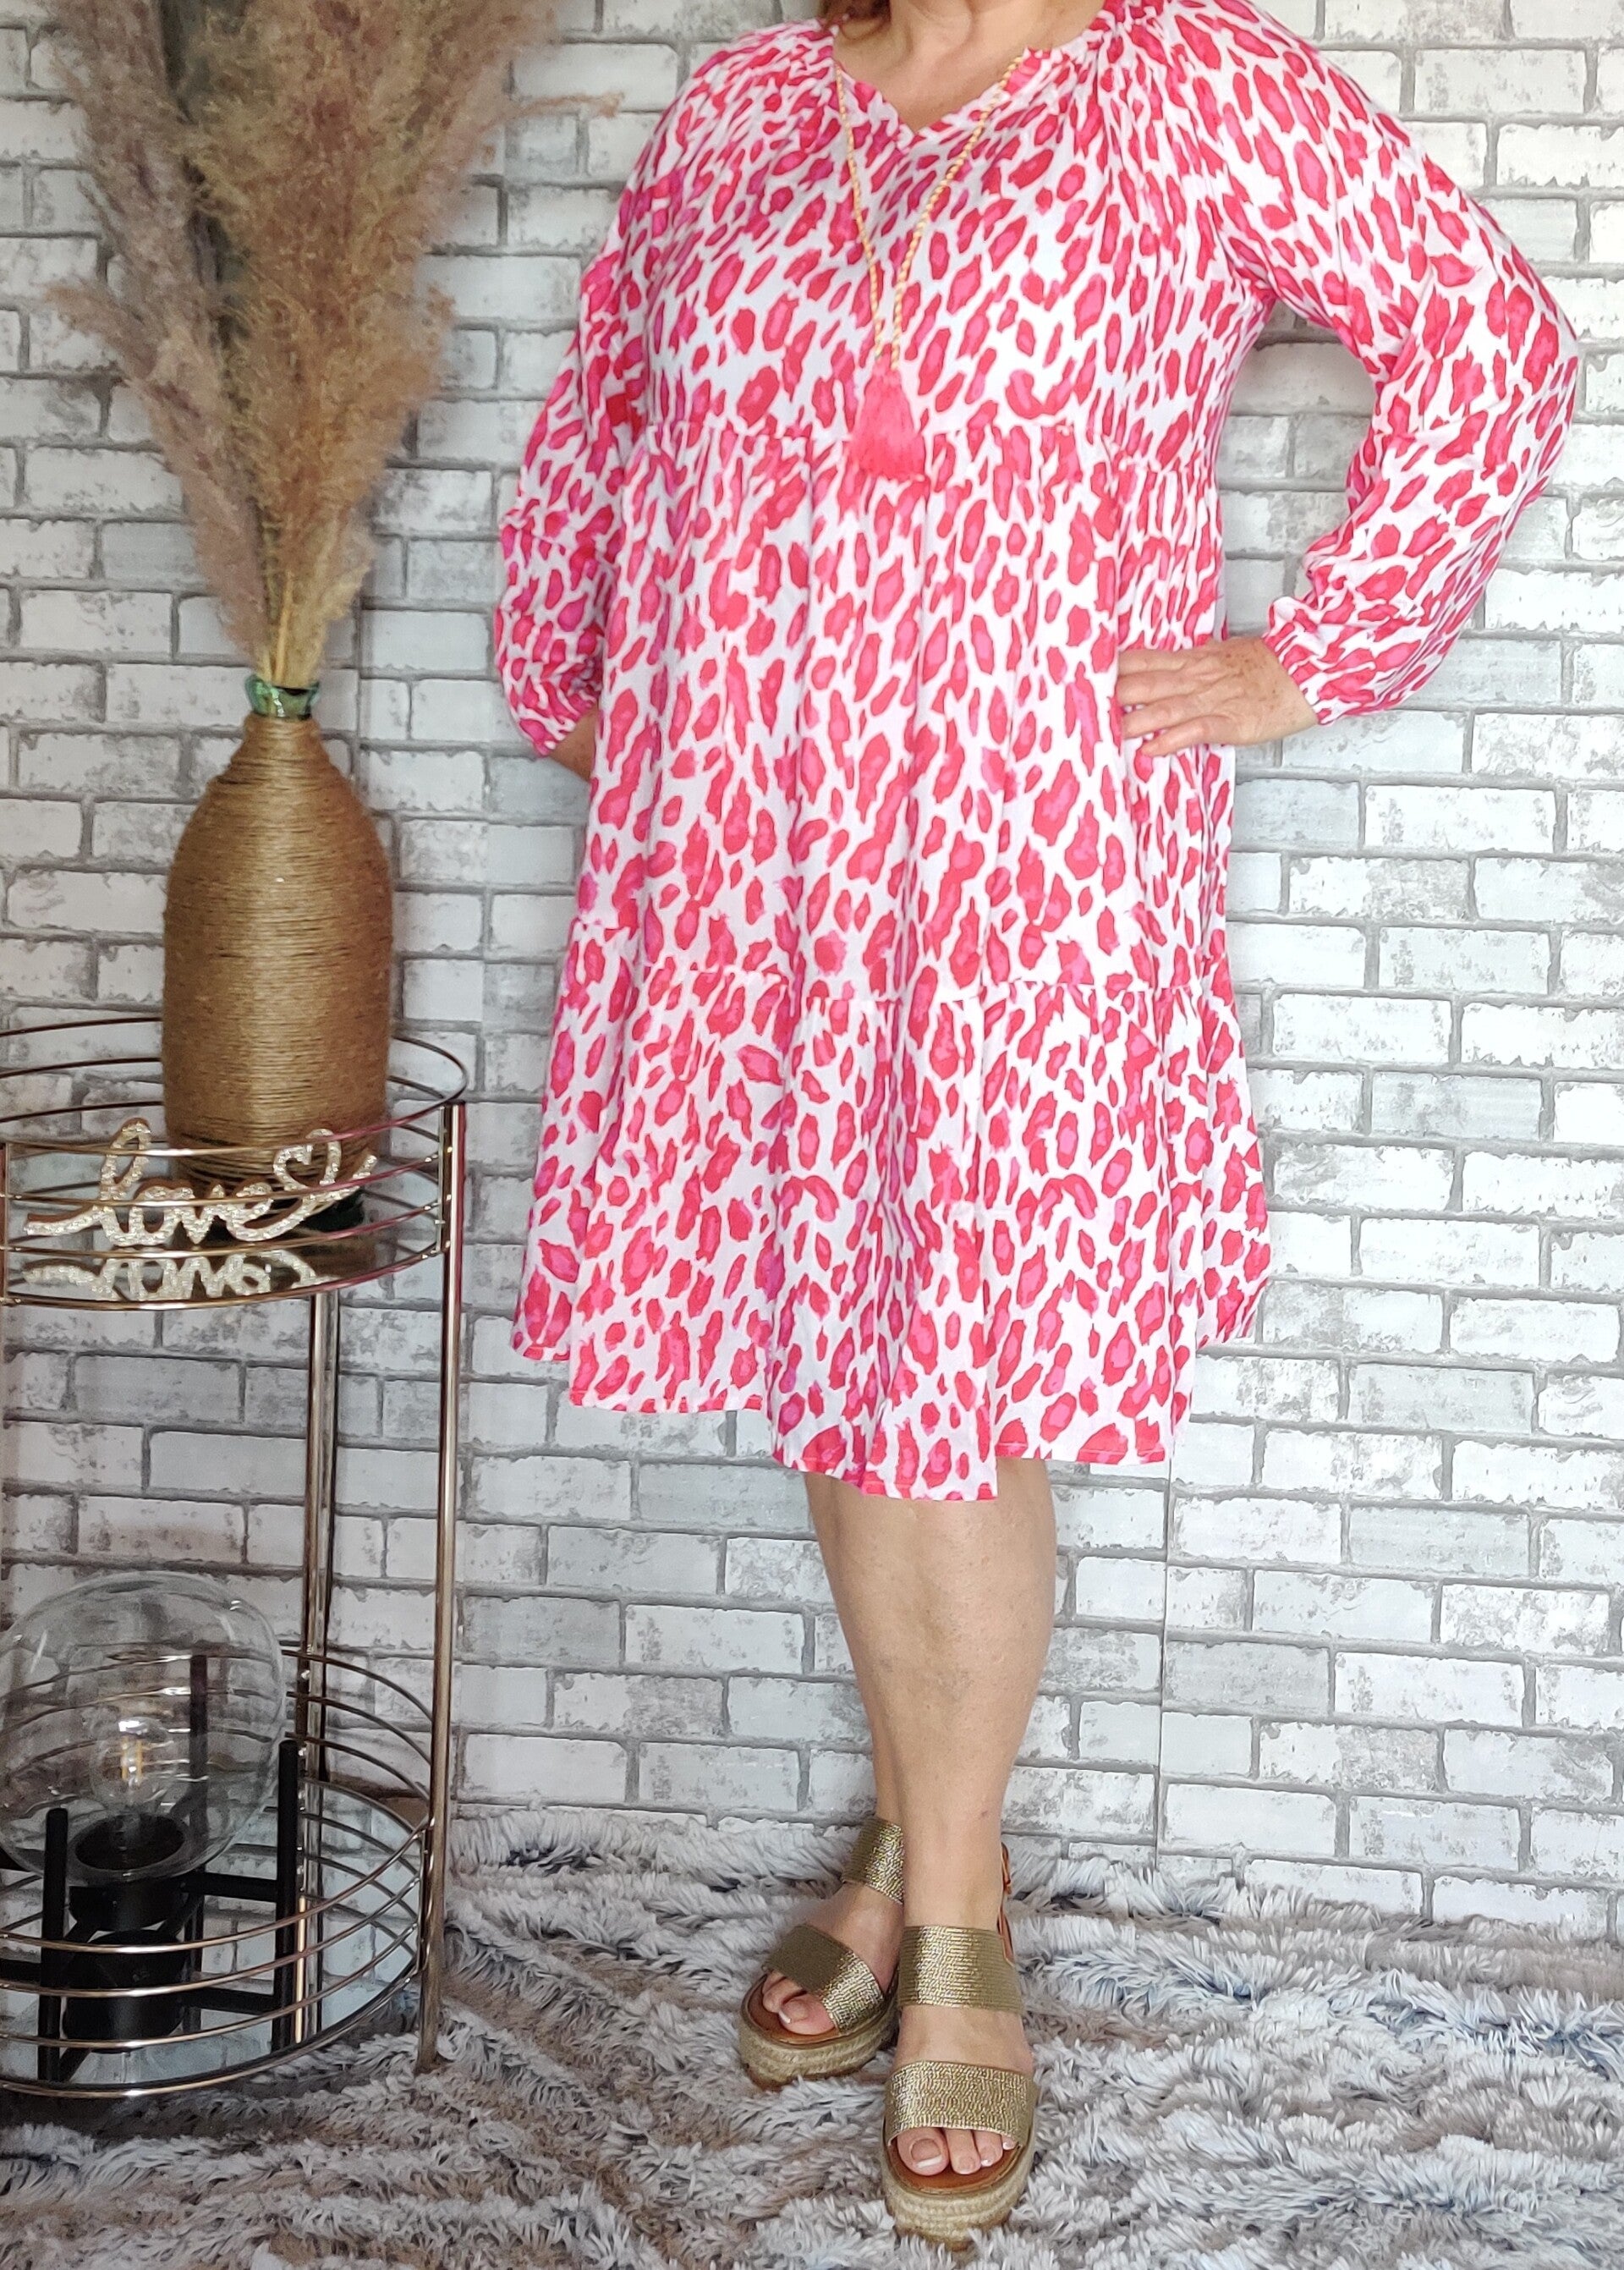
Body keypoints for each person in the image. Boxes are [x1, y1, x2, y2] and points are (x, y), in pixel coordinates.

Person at [495, 0, 1580, 2239]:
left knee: (949, 1366)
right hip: (758, 825)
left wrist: (1316, 655)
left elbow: (1489, 337)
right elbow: (608, 400)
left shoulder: (1188, 83)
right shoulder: (750, 101)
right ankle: (919, 1830)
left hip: (1023, 843)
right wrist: (576, 669)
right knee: (842, 1334)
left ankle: (955, 1910)